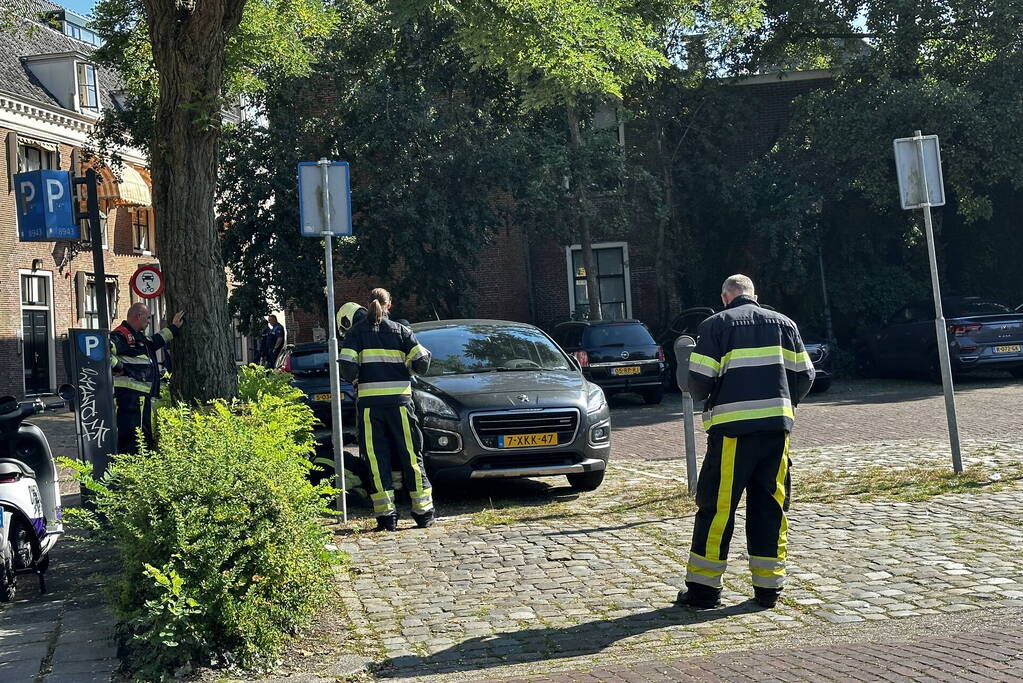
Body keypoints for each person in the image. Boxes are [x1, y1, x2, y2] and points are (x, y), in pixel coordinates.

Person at [676, 274, 814, 610]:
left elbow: (698, 383)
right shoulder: (786, 325)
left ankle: (704, 591)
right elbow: (806, 376)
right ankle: (768, 589)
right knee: (771, 506)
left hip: (732, 434)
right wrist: (781, 405)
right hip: (776, 433)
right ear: (754, 295)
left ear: (725, 297)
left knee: (718, 508)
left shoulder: (715, 326)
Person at [338, 288, 433, 531]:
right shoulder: (401, 331)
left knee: (376, 459)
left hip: (370, 407)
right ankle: (423, 513)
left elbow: (347, 369)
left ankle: (387, 517)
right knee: (411, 456)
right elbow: (422, 362)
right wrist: (407, 370)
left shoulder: (356, 333)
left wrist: (360, 376)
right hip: (400, 404)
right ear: (389, 305)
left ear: (367, 304)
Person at [110, 303, 184, 455]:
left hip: (140, 397)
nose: (149, 321)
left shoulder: (139, 337)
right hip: (131, 398)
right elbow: (103, 351)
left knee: (143, 433)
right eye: (148, 317)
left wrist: (174, 327)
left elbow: (156, 341)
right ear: (138, 316)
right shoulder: (121, 335)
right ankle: (132, 466)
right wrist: (120, 368)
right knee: (134, 436)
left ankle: (141, 465)